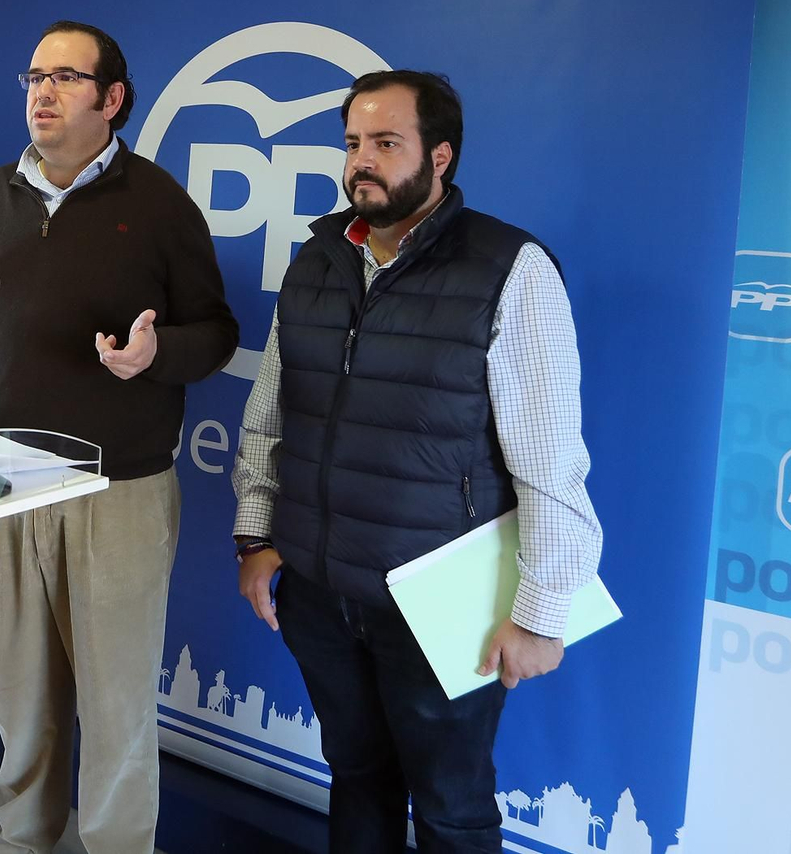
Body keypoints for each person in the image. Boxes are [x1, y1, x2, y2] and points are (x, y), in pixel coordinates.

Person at [231, 70, 604, 854]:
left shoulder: (511, 269)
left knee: (451, 808)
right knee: (358, 779)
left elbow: (550, 458)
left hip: (440, 603)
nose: (362, 161)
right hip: (322, 592)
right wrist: (257, 537)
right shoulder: (320, 257)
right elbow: (272, 413)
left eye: (386, 144)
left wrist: (542, 612)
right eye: (353, 144)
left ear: (440, 158)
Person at [0, 21, 238, 854]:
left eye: (63, 78)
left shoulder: (159, 204)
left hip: (115, 491)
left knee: (115, 701)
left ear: (112, 99)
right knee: (20, 694)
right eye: (33, 77)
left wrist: (158, 351)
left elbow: (218, 332)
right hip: (0, 478)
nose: (41, 93)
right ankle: (21, 837)